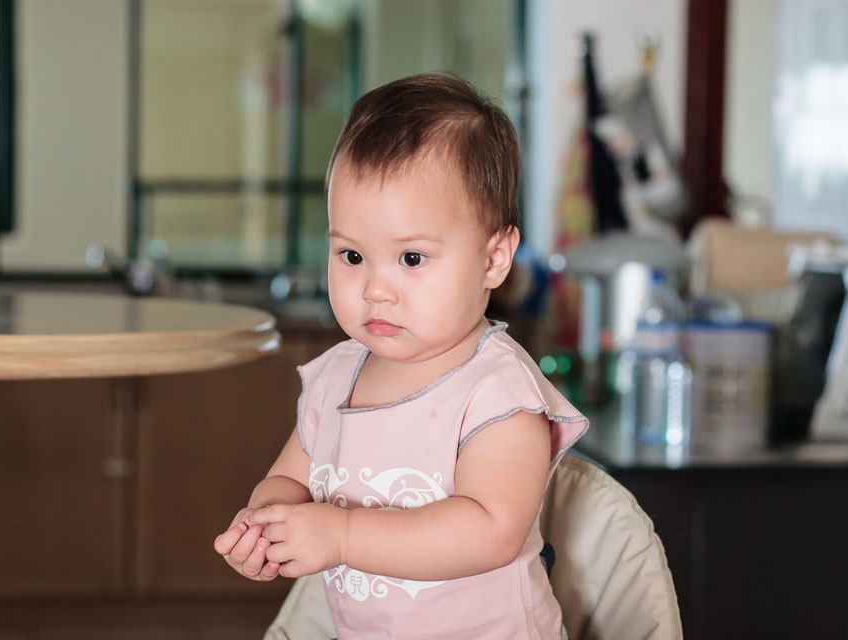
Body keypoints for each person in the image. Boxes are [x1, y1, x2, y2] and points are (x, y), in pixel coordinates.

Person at [214, 73, 588, 639]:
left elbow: (491, 531)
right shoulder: (337, 376)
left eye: (411, 259)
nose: (375, 289)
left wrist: (341, 536)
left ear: (493, 259)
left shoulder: (498, 390)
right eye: (352, 255)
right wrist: (266, 523)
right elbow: (289, 478)